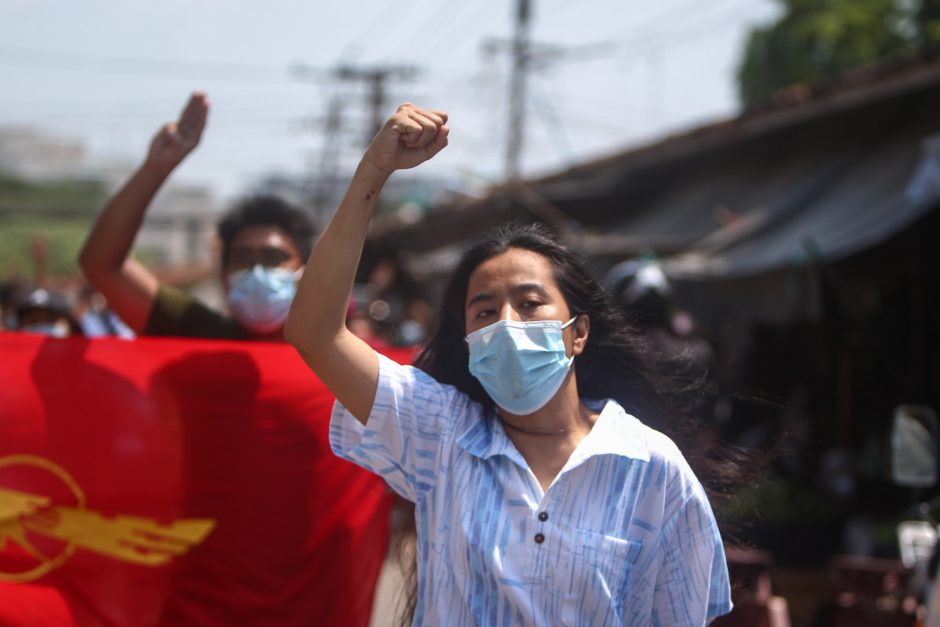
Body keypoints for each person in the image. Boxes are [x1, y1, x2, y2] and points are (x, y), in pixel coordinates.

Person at [285, 104, 733, 625]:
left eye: (529, 302)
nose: (507, 323)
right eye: (484, 311)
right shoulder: (440, 434)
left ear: (578, 333)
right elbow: (315, 332)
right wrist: (373, 172)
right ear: (470, 341)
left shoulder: (653, 469)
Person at [79, 92, 316, 340]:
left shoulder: (335, 354)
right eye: (242, 259)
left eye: (274, 258)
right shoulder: (195, 330)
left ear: (305, 272)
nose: (257, 272)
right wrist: (155, 169)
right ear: (224, 276)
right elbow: (102, 265)